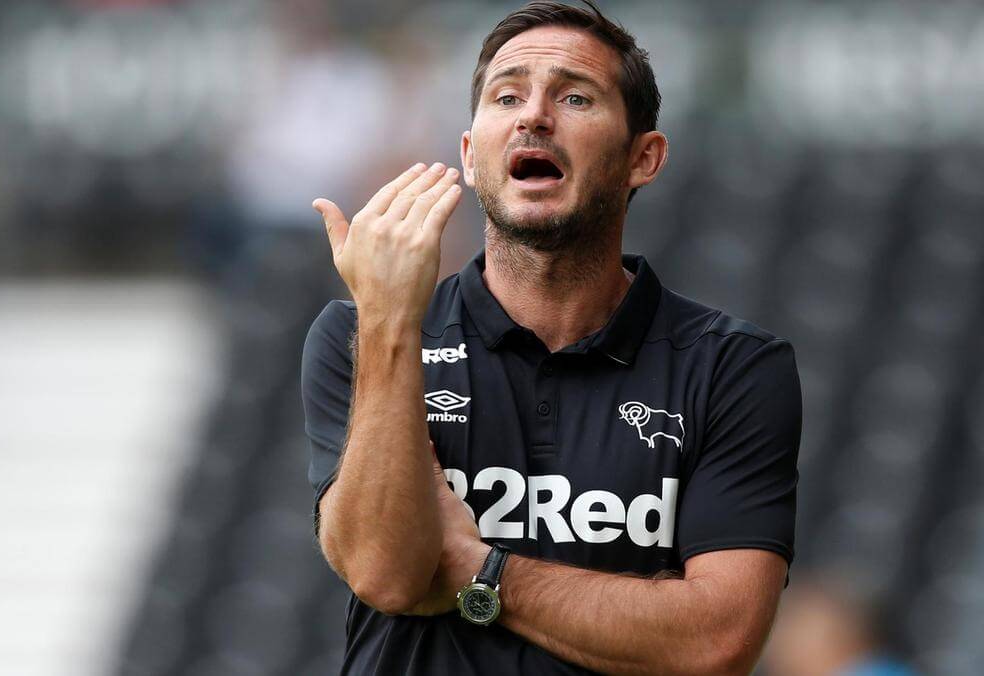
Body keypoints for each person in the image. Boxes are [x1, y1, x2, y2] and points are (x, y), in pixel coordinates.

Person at [301, 2, 801, 674]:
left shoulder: (732, 367)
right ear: (470, 155)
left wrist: (476, 569)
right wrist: (389, 321)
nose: (533, 116)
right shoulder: (360, 334)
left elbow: (716, 640)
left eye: (574, 97)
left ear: (643, 158)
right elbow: (385, 574)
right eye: (507, 97)